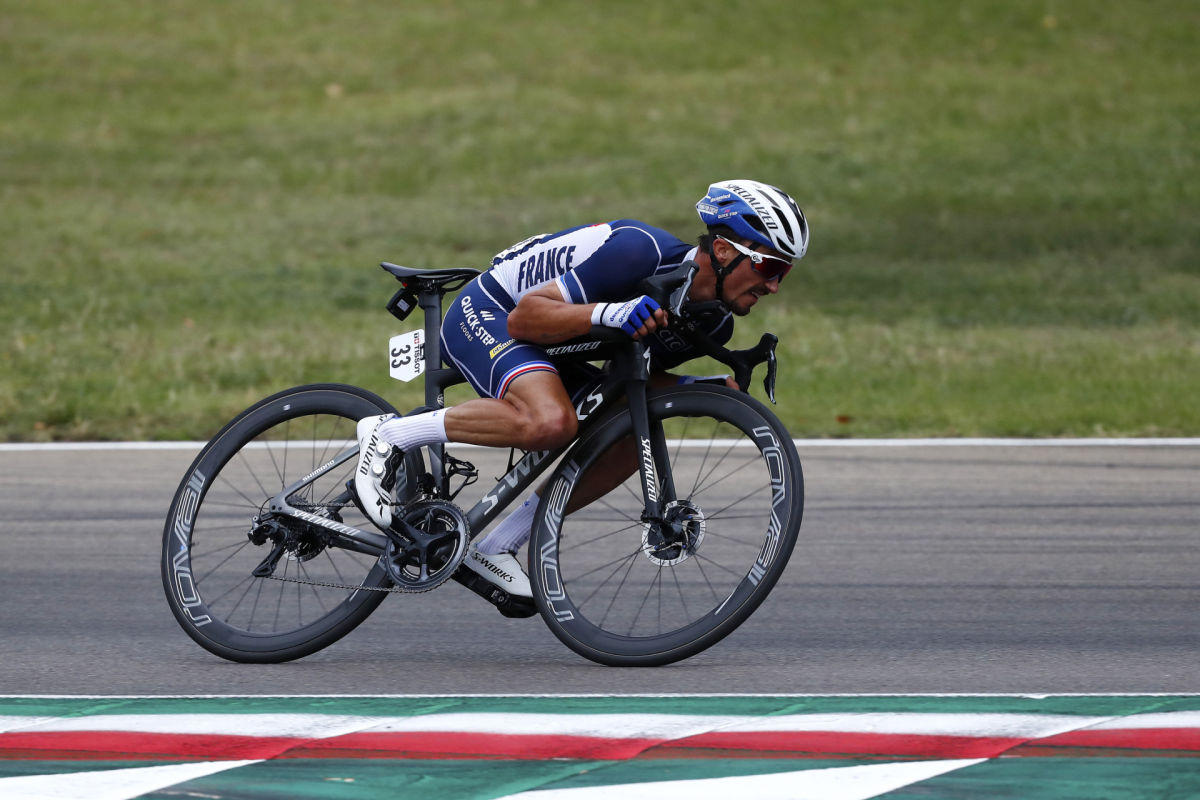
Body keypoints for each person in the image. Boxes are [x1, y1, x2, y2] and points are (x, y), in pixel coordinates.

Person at [355, 179, 808, 604]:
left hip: (560, 338)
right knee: (550, 422)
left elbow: (629, 382)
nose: (773, 285)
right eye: (770, 266)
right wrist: (610, 314)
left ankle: (497, 545)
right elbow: (525, 319)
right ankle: (391, 434)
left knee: (629, 436)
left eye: (783, 273)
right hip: (496, 310)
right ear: (724, 250)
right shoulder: (640, 251)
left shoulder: (714, 323)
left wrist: (705, 389)